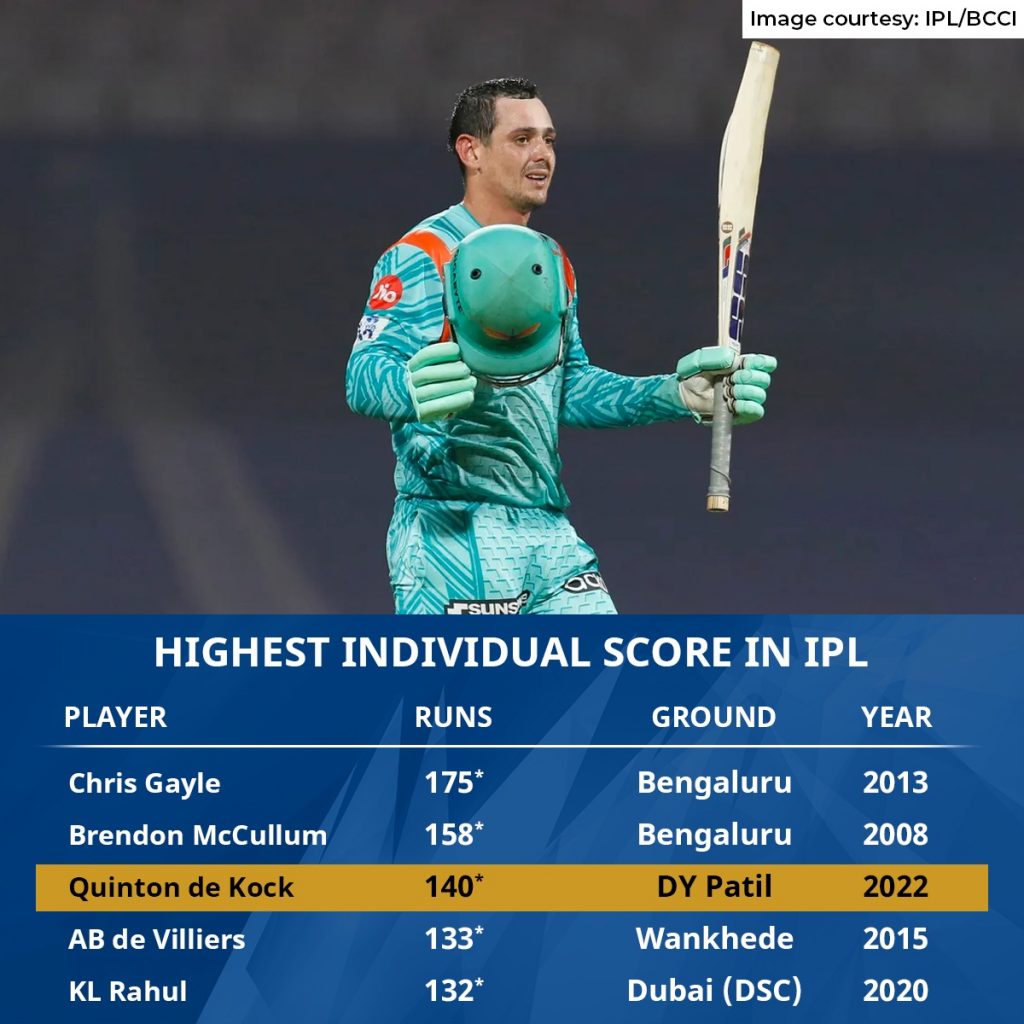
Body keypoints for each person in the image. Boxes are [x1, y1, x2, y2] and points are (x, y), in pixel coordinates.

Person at [346, 78, 776, 614]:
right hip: (453, 529)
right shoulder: (423, 255)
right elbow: (363, 373)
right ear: (471, 151)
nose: (543, 154)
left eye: (549, 140)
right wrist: (407, 388)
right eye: (522, 139)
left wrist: (674, 394)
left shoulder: (550, 262)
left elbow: (568, 387)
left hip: (545, 531)